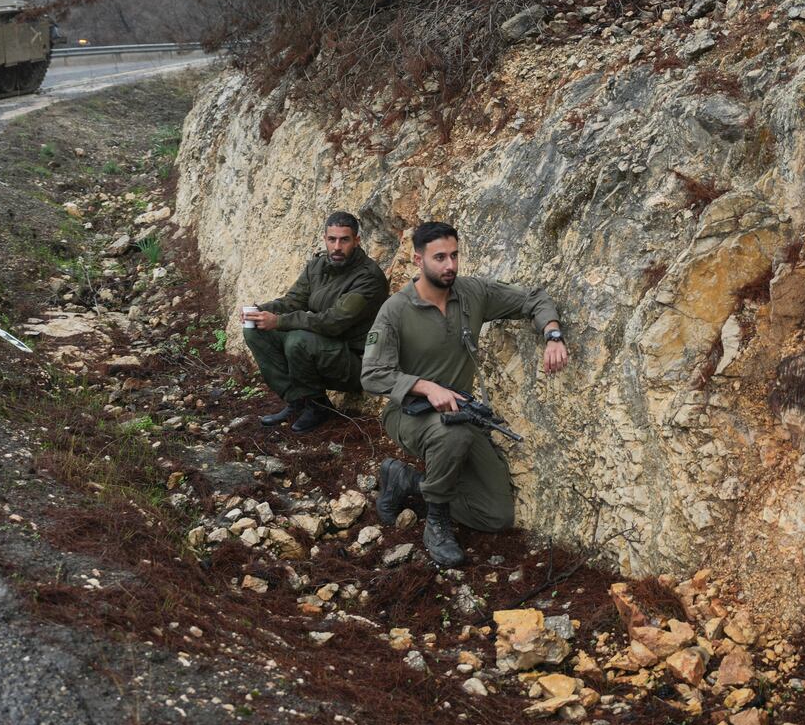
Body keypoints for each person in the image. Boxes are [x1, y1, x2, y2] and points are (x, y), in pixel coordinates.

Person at [362, 221, 568, 568]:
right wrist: (426, 386)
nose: (450, 265)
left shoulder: (471, 293)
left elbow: (534, 298)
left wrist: (552, 334)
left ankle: (408, 481)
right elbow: (372, 374)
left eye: (454, 255)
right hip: (408, 414)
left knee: (496, 515)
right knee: (449, 435)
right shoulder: (396, 310)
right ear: (418, 260)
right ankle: (437, 523)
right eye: (440, 257)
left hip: (462, 414)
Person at [242, 211, 390, 434]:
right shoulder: (317, 267)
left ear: (357, 241)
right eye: (332, 239)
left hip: (355, 362)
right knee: (255, 331)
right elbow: (294, 301)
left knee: (298, 340)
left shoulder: (368, 278)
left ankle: (319, 407)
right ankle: (298, 401)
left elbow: (333, 322)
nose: (337, 246)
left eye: (344, 240)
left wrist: (280, 321)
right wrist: (261, 311)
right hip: (324, 348)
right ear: (325, 239)